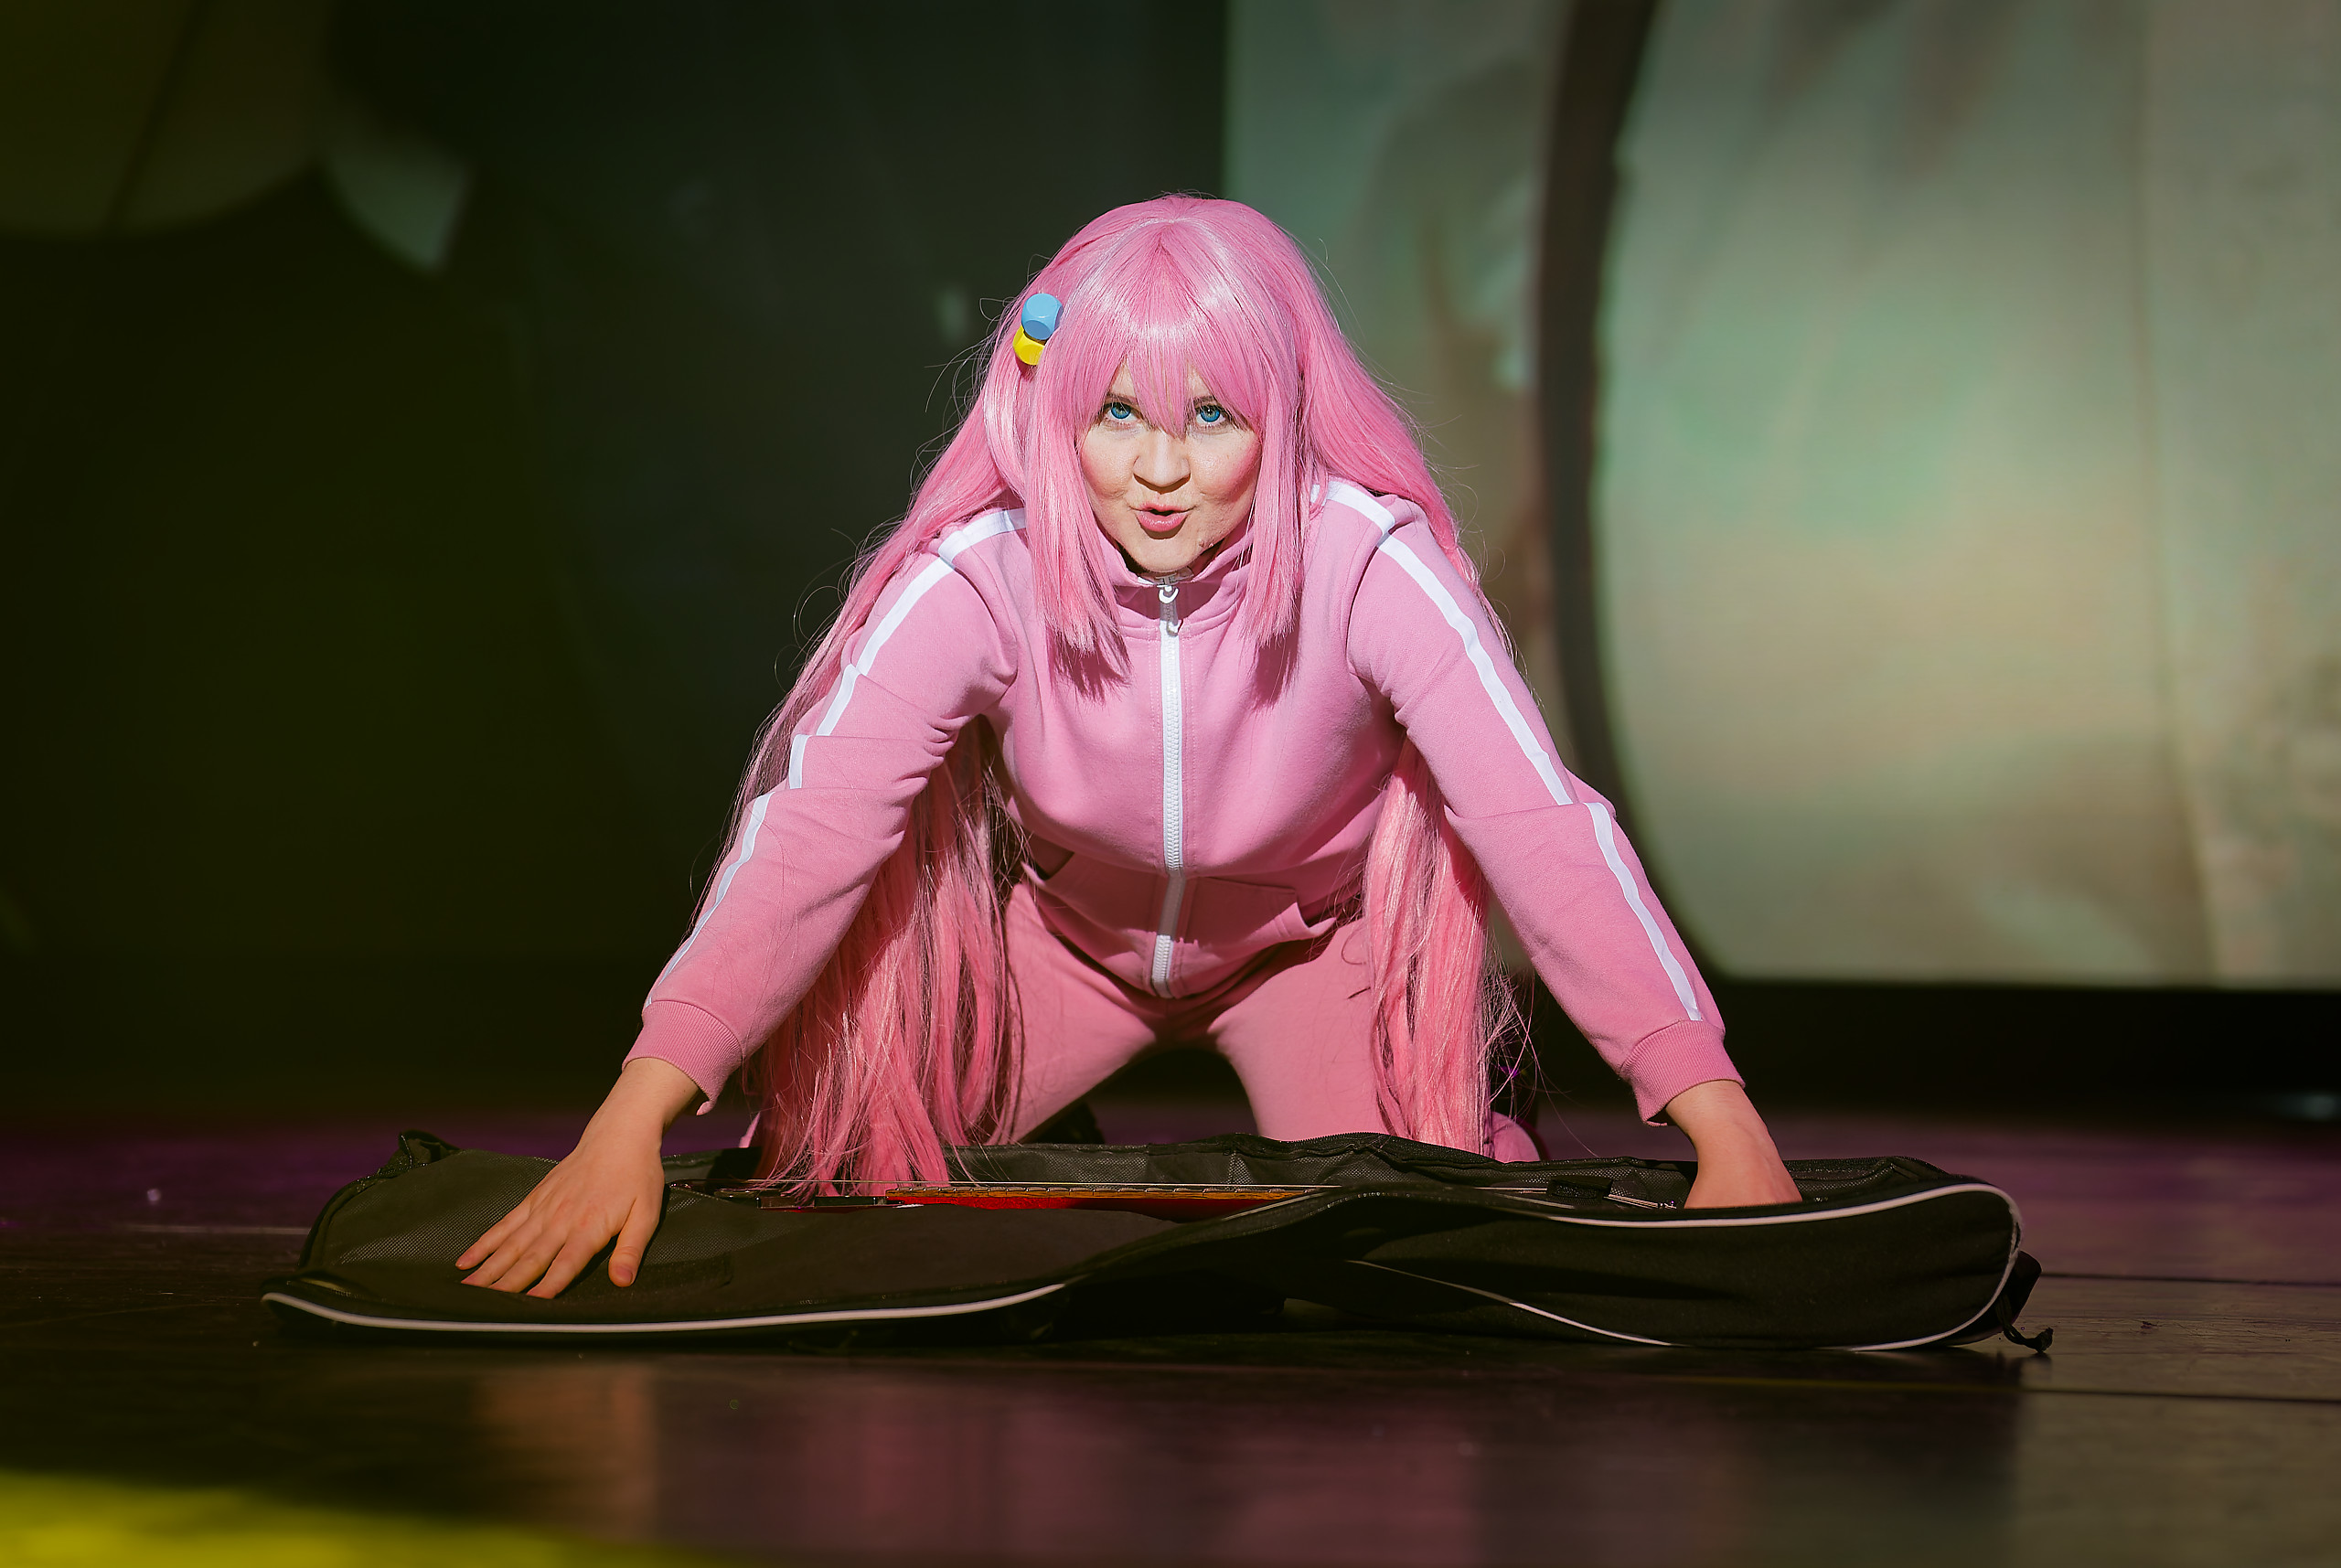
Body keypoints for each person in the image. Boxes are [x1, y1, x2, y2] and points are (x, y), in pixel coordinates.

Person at [458, 197, 1801, 1299]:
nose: (1160, 469)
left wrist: (1719, 1118)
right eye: (1116, 413)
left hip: (1309, 959)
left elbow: (1538, 823)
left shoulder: (1366, 560)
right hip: (1066, 952)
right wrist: (630, 1120)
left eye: (1211, 416)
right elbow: (816, 826)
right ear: (1056, 414)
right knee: (831, 1201)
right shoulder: (982, 573)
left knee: (1422, 1245)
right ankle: (1035, 1113)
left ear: (1282, 416)